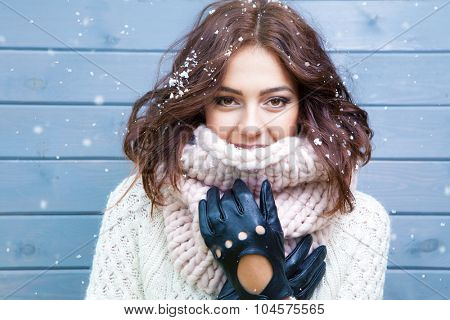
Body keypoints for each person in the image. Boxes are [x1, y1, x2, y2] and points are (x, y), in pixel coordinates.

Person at [84, 0, 390, 300]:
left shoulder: (360, 221)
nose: (250, 126)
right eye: (227, 100)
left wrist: (275, 300)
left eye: (276, 101)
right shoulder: (140, 204)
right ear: (200, 104)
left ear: (305, 106)